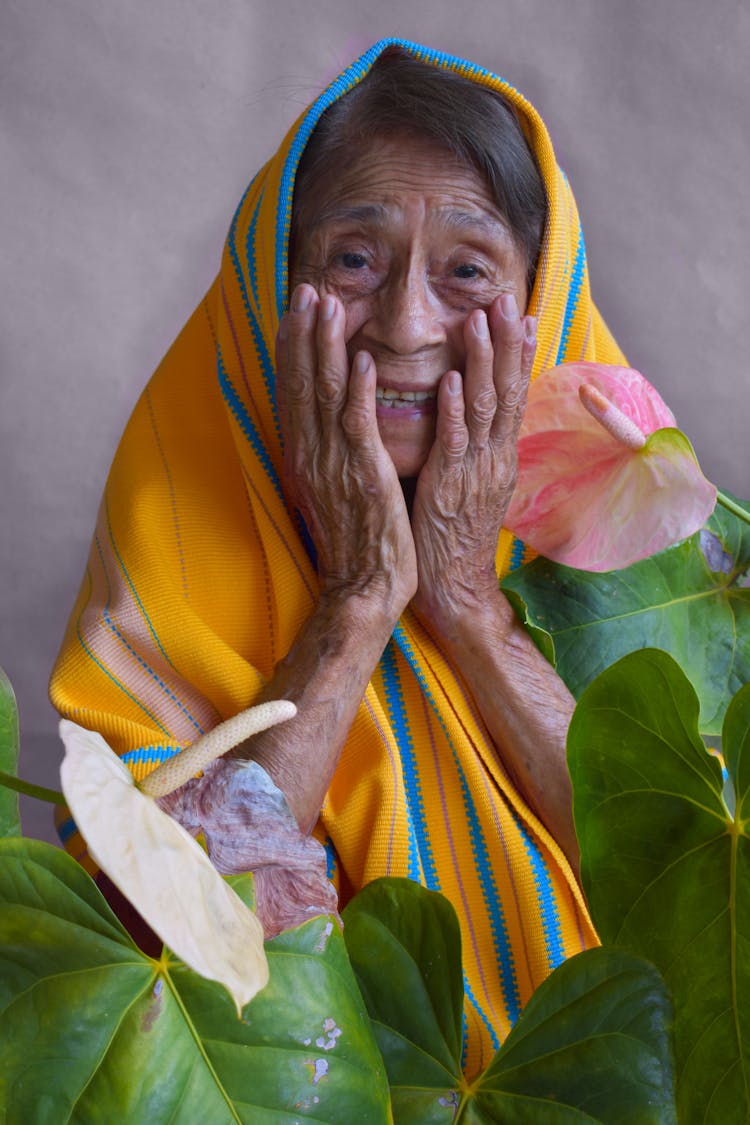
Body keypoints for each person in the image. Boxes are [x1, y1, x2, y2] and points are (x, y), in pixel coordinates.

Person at [50, 40, 626, 1075]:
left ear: (539, 305)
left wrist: (467, 605)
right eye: (354, 260)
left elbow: (692, 905)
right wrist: (359, 604)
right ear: (274, 281)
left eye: (467, 271)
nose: (406, 325)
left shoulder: (628, 526)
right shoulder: (179, 505)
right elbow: (156, 965)